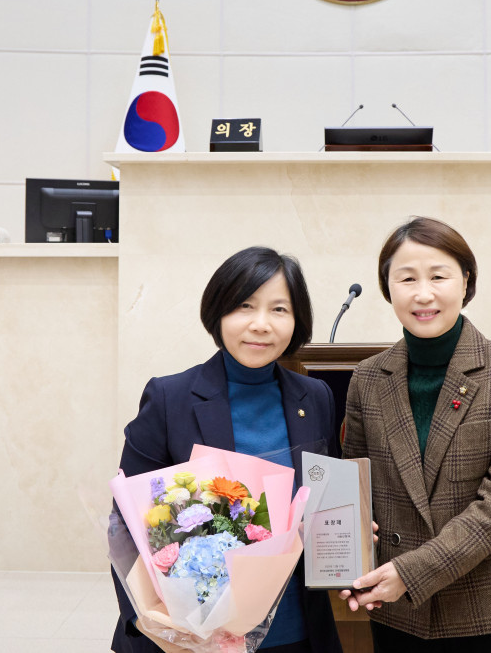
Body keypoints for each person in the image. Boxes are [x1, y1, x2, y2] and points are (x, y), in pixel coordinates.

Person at [339, 217, 491, 652]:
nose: (423, 293)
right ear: (388, 289)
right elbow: (355, 489)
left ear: (465, 282)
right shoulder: (367, 378)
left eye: (438, 276)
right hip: (399, 611)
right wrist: (348, 556)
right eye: (406, 278)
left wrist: (413, 572)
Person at [112, 246, 343, 653]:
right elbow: (126, 526)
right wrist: (150, 622)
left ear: (297, 320)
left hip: (296, 629)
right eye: (244, 306)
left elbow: (328, 501)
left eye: (279, 310)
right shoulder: (170, 397)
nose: (260, 324)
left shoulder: (317, 397)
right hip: (191, 634)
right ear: (218, 314)